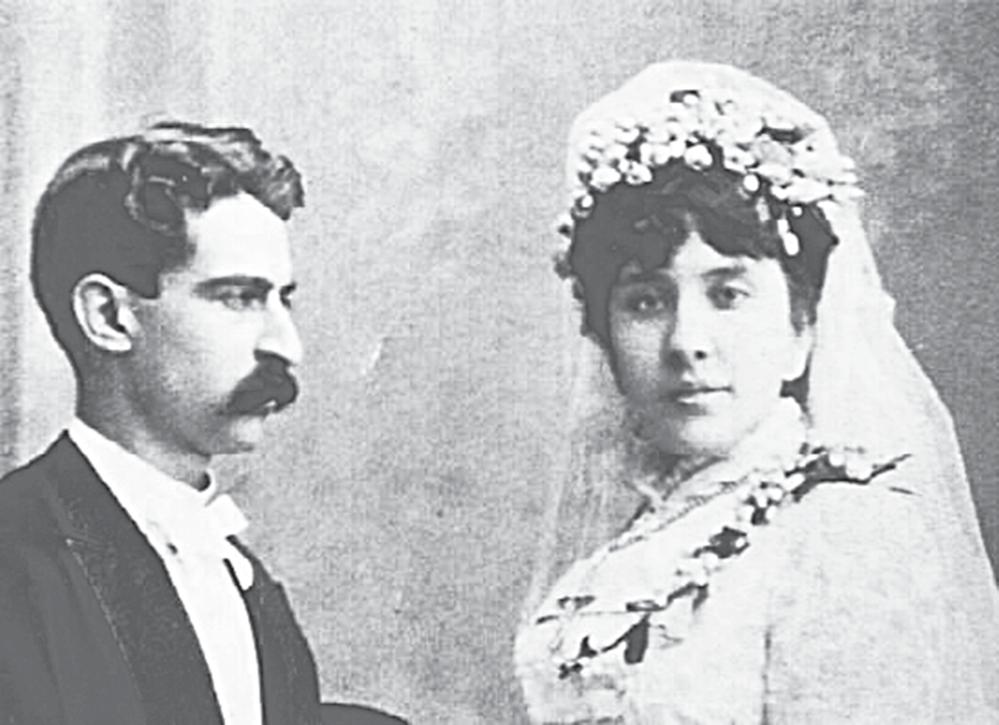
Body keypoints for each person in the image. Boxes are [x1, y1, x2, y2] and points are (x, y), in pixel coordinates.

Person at [515, 62, 999, 723]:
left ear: (802, 327)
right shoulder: (641, 539)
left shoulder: (843, 533)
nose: (687, 342)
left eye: (728, 294)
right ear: (604, 336)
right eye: (646, 300)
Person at [0, 122, 405, 724]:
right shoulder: (17, 563)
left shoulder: (236, 574)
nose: (286, 346)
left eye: (284, 299)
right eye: (239, 297)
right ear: (108, 316)